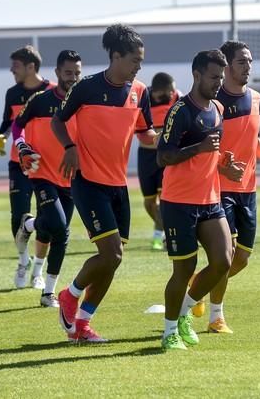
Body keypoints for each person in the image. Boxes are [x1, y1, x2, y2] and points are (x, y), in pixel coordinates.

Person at [52, 24, 157, 343]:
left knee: (114, 261)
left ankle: (81, 326)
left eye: (141, 61)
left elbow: (146, 134)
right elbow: (58, 120)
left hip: (118, 186)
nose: (139, 66)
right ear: (115, 56)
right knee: (110, 255)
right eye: (134, 60)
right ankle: (69, 296)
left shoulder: (140, 91)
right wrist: (70, 148)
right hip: (87, 182)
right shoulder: (85, 88)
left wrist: (171, 140)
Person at [157, 49, 245, 351]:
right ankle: (169, 332)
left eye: (221, 77)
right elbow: (163, 157)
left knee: (224, 260)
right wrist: (199, 147)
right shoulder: (180, 111)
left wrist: (225, 165)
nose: (218, 82)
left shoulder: (218, 108)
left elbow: (214, 151)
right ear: (196, 75)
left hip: (210, 199)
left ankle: (183, 313)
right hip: (178, 202)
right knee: (183, 270)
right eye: (213, 77)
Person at [202, 40, 260, 334]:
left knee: (243, 259)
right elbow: (205, 146)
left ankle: (198, 286)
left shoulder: (257, 98)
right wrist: (223, 165)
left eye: (250, 61)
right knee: (226, 255)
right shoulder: (213, 102)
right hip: (219, 190)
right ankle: (216, 316)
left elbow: (253, 139)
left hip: (248, 191)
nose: (248, 66)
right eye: (241, 62)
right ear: (226, 66)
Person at [12, 50, 82, 307]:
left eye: (77, 72)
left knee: (57, 232)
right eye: (68, 72)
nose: (73, 78)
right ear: (57, 73)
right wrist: (22, 147)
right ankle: (49, 292)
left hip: (72, 178)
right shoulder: (40, 100)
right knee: (60, 227)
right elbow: (17, 126)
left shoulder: (84, 101)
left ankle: (28, 226)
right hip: (41, 173)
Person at [0, 46, 53, 289]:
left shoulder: (51, 91)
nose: (11, 70)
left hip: (46, 164)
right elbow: (9, 122)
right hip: (18, 163)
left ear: (31, 67)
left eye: (15, 66)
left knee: (47, 217)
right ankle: (22, 260)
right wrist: (1, 136)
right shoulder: (12, 93)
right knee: (18, 216)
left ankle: (38, 270)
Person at [137, 72, 179, 250]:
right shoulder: (143, 99)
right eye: (169, 91)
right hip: (146, 156)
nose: (173, 93)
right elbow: (140, 132)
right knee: (148, 201)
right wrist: (156, 137)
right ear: (158, 91)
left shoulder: (177, 98)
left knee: (164, 199)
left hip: (165, 157)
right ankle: (169, 229)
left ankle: (160, 235)